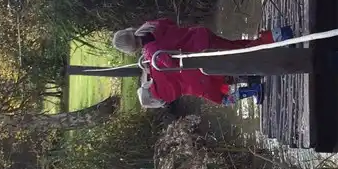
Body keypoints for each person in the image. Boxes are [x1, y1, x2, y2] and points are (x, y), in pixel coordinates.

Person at [112, 19, 275, 108]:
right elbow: (170, 23)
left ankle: (276, 38)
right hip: (199, 36)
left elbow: (172, 64)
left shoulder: (152, 53)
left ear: (130, 49)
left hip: (202, 54)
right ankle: (270, 45)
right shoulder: (150, 26)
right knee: (237, 47)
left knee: (240, 55)